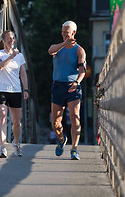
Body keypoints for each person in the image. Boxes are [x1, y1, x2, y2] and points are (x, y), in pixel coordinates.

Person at [48, 20, 86, 160]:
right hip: (58, 86)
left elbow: (82, 70)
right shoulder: (58, 47)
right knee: (56, 122)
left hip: (72, 86)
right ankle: (61, 138)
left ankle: (74, 149)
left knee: (76, 118)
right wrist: (64, 44)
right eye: (62, 32)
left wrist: (77, 82)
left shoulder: (79, 50)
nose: (64, 35)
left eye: (67, 33)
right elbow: (50, 50)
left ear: (73, 33)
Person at [0, 30, 29, 158]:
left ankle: (16, 143)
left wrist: (26, 89)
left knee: (16, 122)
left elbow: (23, 74)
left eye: (13, 38)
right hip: (1, 90)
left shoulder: (20, 56)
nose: (11, 40)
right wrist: (11, 56)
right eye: (9, 38)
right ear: (3, 40)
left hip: (16, 91)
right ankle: (3, 148)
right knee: (2, 116)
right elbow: (0, 67)